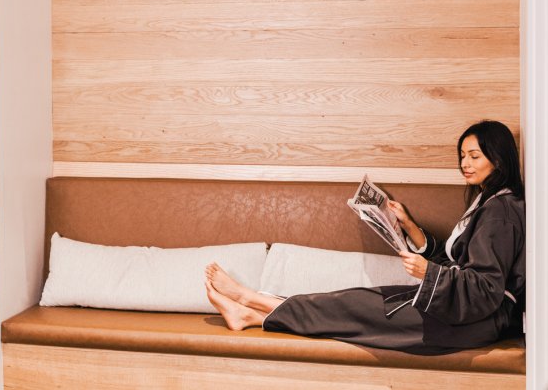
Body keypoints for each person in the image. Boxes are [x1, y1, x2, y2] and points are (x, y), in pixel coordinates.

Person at [204, 120, 526, 355]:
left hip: (469, 322)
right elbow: (461, 263)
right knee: (353, 302)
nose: (464, 164)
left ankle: (250, 300)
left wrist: (429, 273)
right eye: (462, 155)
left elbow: (485, 289)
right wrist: (410, 228)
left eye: (474, 156)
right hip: (454, 309)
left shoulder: (501, 212)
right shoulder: (488, 202)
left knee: (350, 308)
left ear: (497, 158)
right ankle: (250, 315)